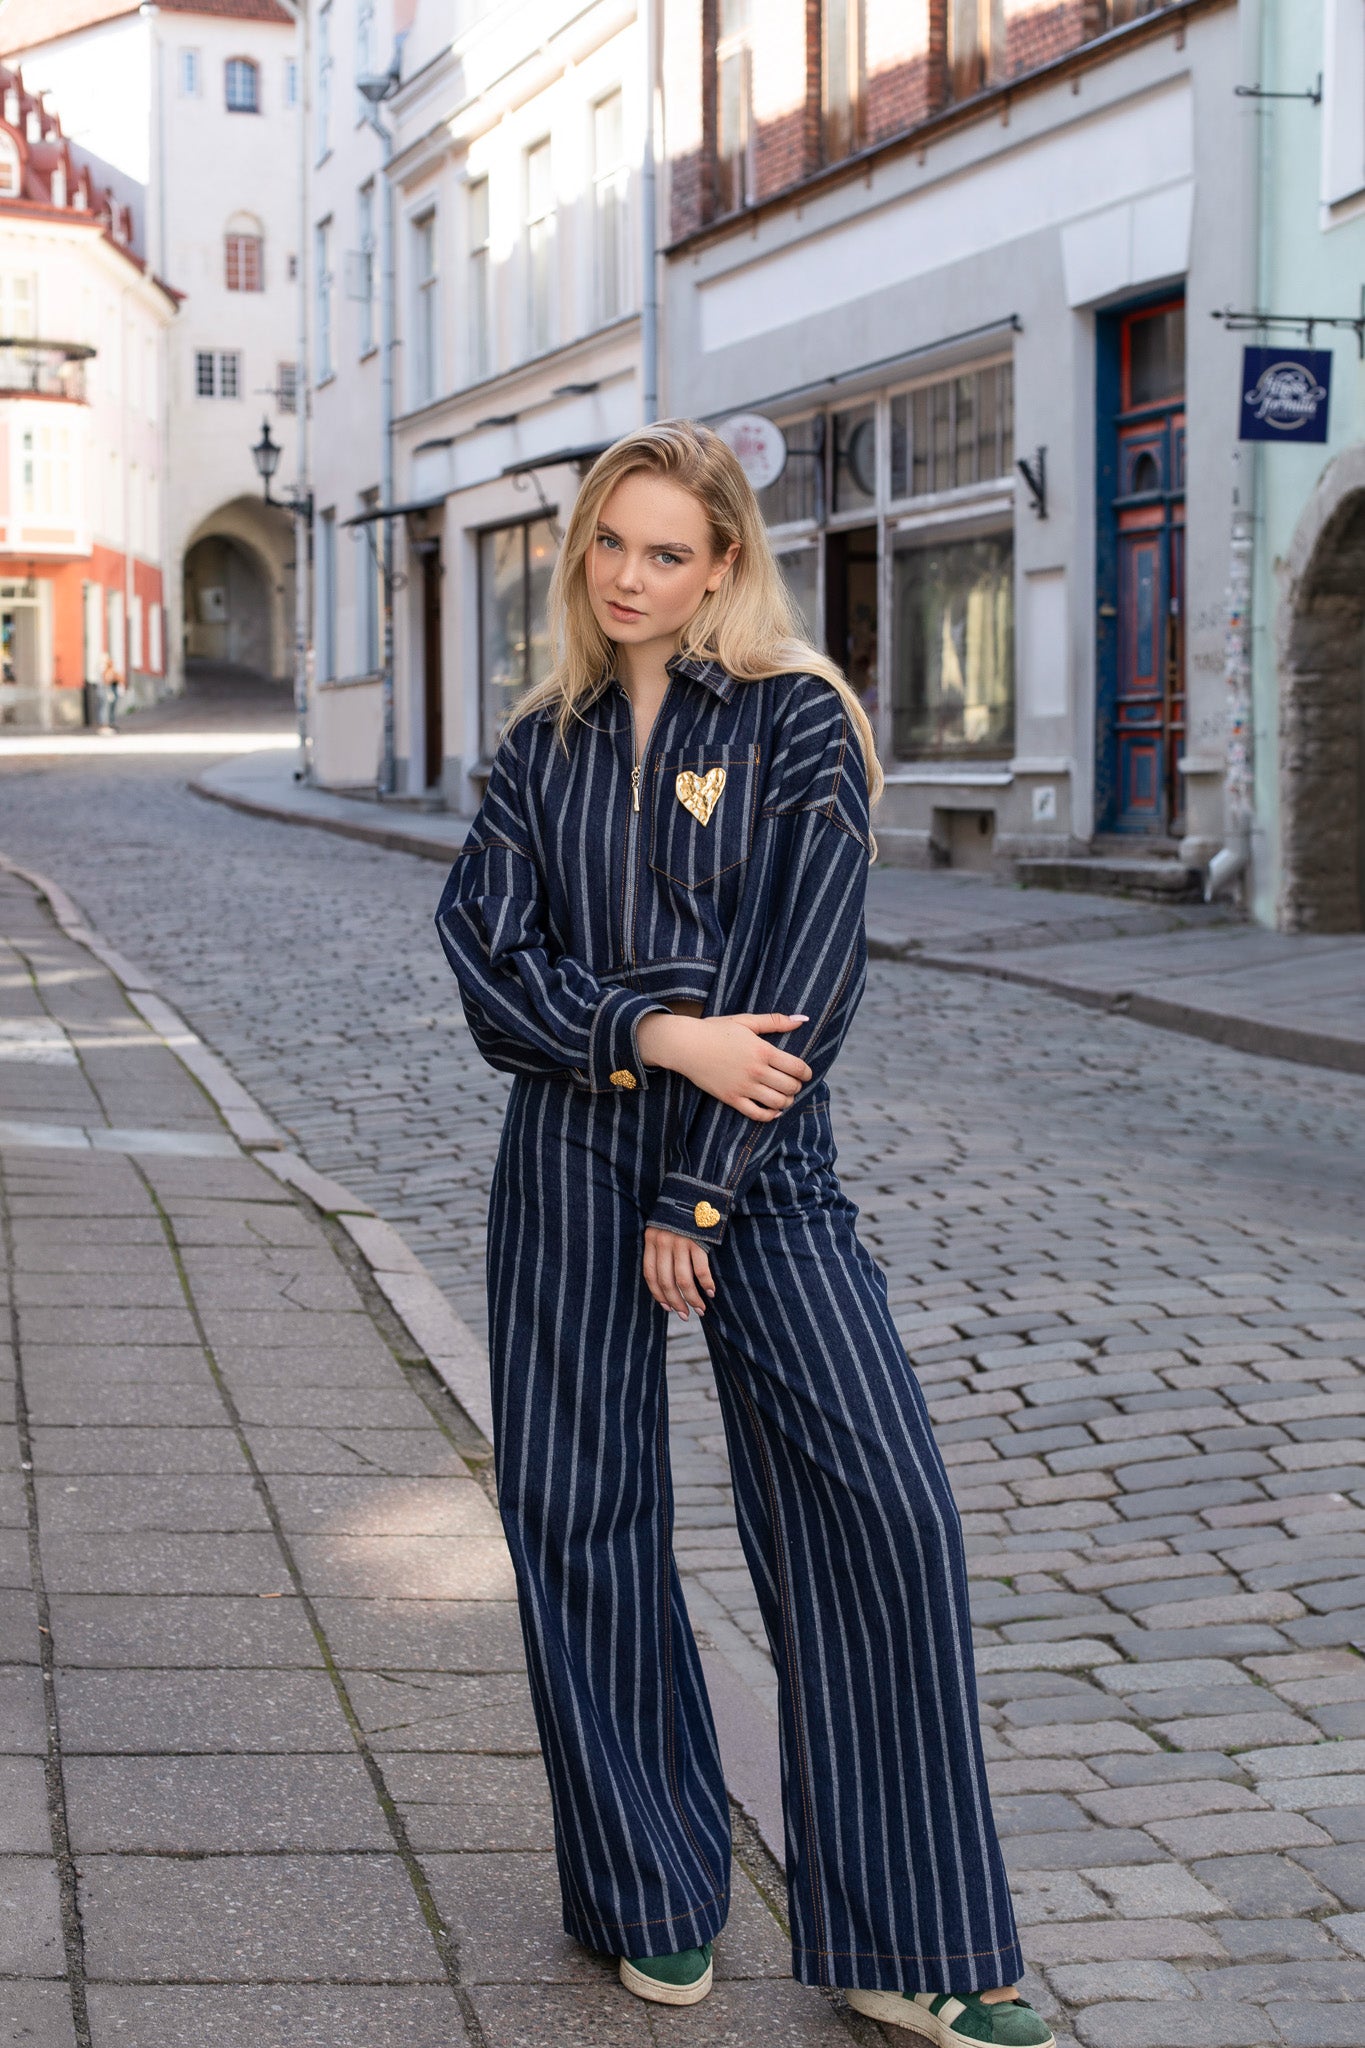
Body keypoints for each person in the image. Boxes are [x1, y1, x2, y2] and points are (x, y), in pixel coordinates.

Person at [434, 421, 1049, 2046]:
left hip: (761, 1167)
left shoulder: (796, 723)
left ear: (722, 563)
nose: (629, 578)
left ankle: (902, 1935)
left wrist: (693, 1188)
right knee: (578, 1509)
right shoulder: (539, 742)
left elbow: (806, 979)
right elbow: (488, 965)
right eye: (607, 547)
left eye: (664, 551)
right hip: (567, 1149)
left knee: (882, 1503)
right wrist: (654, 1035)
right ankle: (647, 1888)